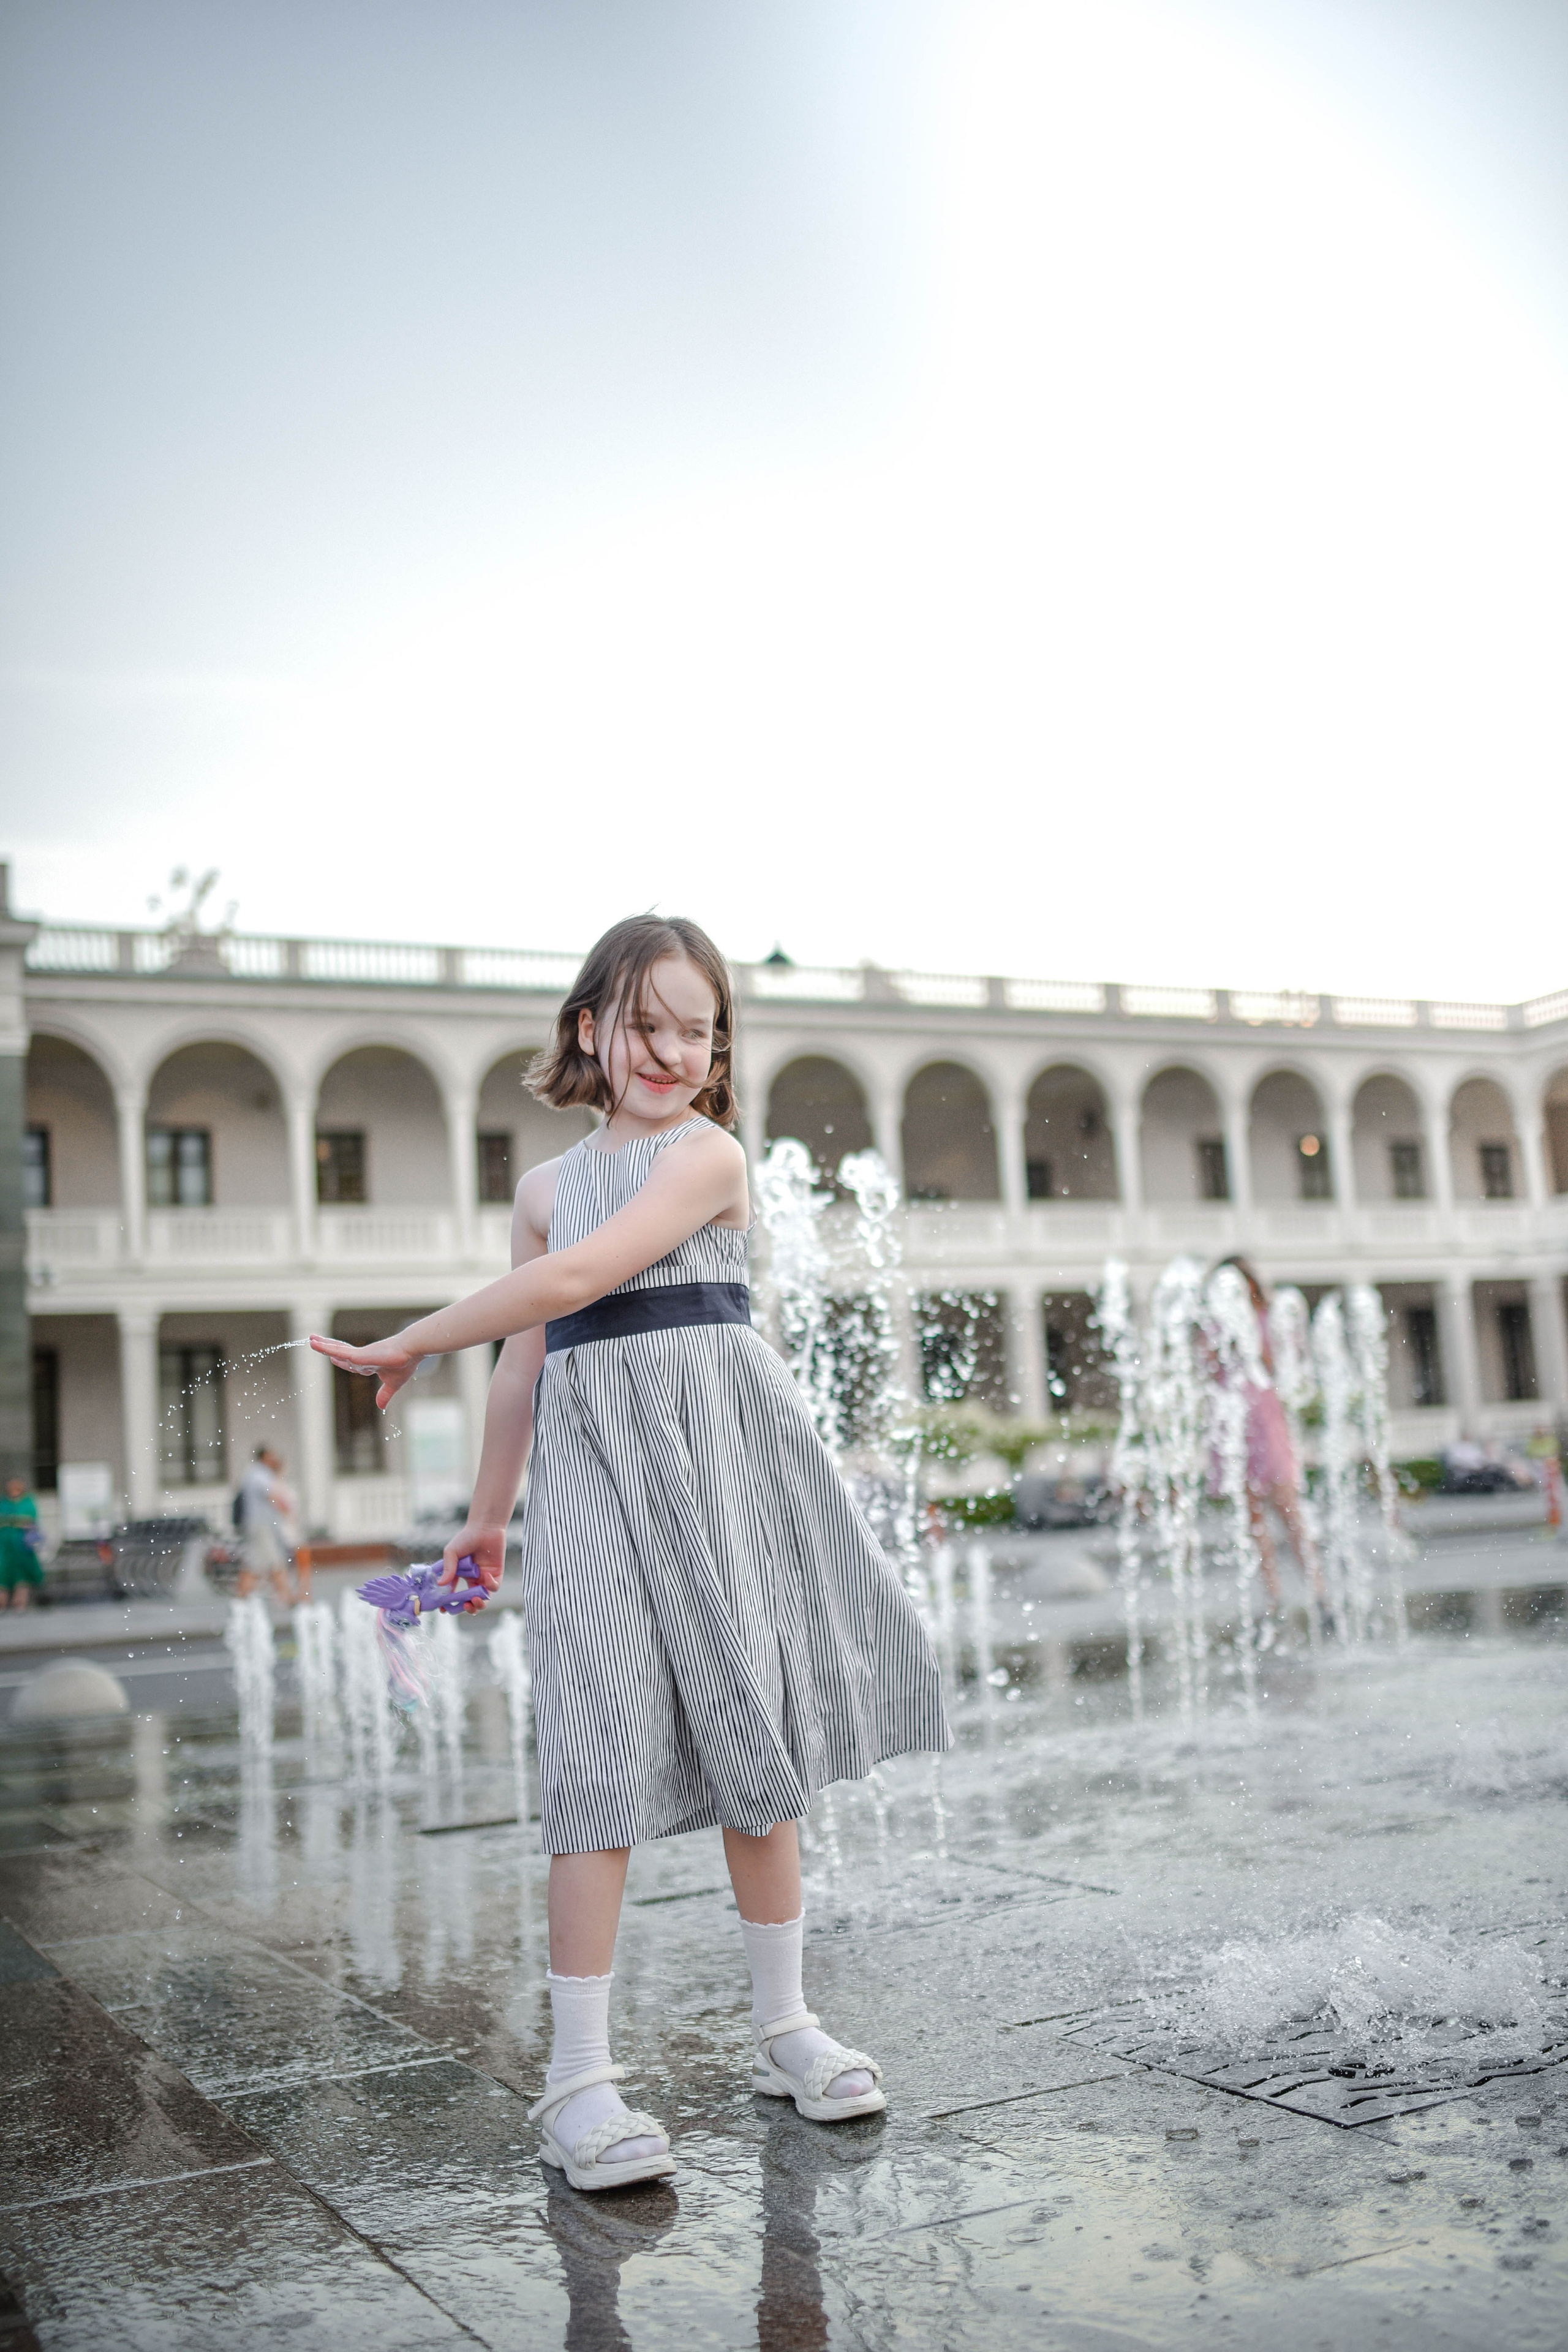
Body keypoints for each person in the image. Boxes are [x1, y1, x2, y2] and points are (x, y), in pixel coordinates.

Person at [312, 916, 949, 2193]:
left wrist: (410, 1338)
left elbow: (584, 1280)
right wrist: (486, 1520)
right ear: (588, 1029)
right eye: (641, 1022)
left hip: (719, 1462)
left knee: (749, 1745)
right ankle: (579, 2084)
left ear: (717, 1048)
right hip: (596, 1473)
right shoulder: (541, 1191)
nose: (666, 1049)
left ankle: (785, 2027)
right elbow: (530, 1356)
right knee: (593, 1749)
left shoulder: (708, 1156)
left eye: (692, 1028)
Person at [1218, 1259, 1325, 1613]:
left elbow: (1280, 1365)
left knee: (1288, 1508)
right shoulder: (1214, 1326)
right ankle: (1273, 1596)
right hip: (1234, 1428)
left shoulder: (1269, 1319)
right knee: (1253, 1519)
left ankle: (1318, 1588)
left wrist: (1248, 1340)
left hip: (1266, 1420)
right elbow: (1206, 1371)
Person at [235, 1446, 300, 1604]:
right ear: (264, 1457)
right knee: (272, 1562)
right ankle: (288, 1598)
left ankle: (241, 1598)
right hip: (261, 1526)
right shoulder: (259, 1474)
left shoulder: (254, 1473)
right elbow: (274, 1495)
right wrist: (288, 1512)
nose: (274, 1460)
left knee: (256, 1563)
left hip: (258, 1526)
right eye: (271, 1457)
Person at [0, 1475, 43, 1610]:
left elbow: (30, 1519)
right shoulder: (4, 1503)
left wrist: (11, 1521)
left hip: (22, 1546)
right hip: (5, 1546)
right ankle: (2, 1602)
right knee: (3, 1573)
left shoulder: (27, 1502)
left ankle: (20, 1603)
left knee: (22, 1575)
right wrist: (14, 1521)